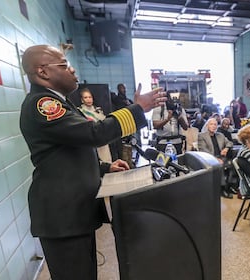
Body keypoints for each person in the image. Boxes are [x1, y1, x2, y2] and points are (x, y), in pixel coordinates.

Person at [18, 44, 165, 280]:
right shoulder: (42, 105)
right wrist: (138, 110)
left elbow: (71, 151)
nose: (72, 70)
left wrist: (106, 168)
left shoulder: (61, 102)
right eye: (64, 65)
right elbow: (93, 134)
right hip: (62, 215)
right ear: (43, 72)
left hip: (71, 213)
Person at [198, 118, 234, 198]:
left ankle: (229, 186)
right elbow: (203, 151)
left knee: (232, 164)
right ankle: (222, 188)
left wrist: (226, 148)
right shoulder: (202, 136)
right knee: (219, 165)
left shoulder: (220, 135)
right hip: (208, 159)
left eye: (215, 124)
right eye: (211, 124)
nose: (213, 126)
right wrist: (215, 159)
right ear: (207, 126)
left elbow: (230, 142)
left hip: (221, 157)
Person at [77, 88, 112, 162]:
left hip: (102, 140)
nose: (88, 99)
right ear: (82, 99)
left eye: (90, 97)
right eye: (85, 97)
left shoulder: (98, 110)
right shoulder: (79, 111)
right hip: (90, 140)